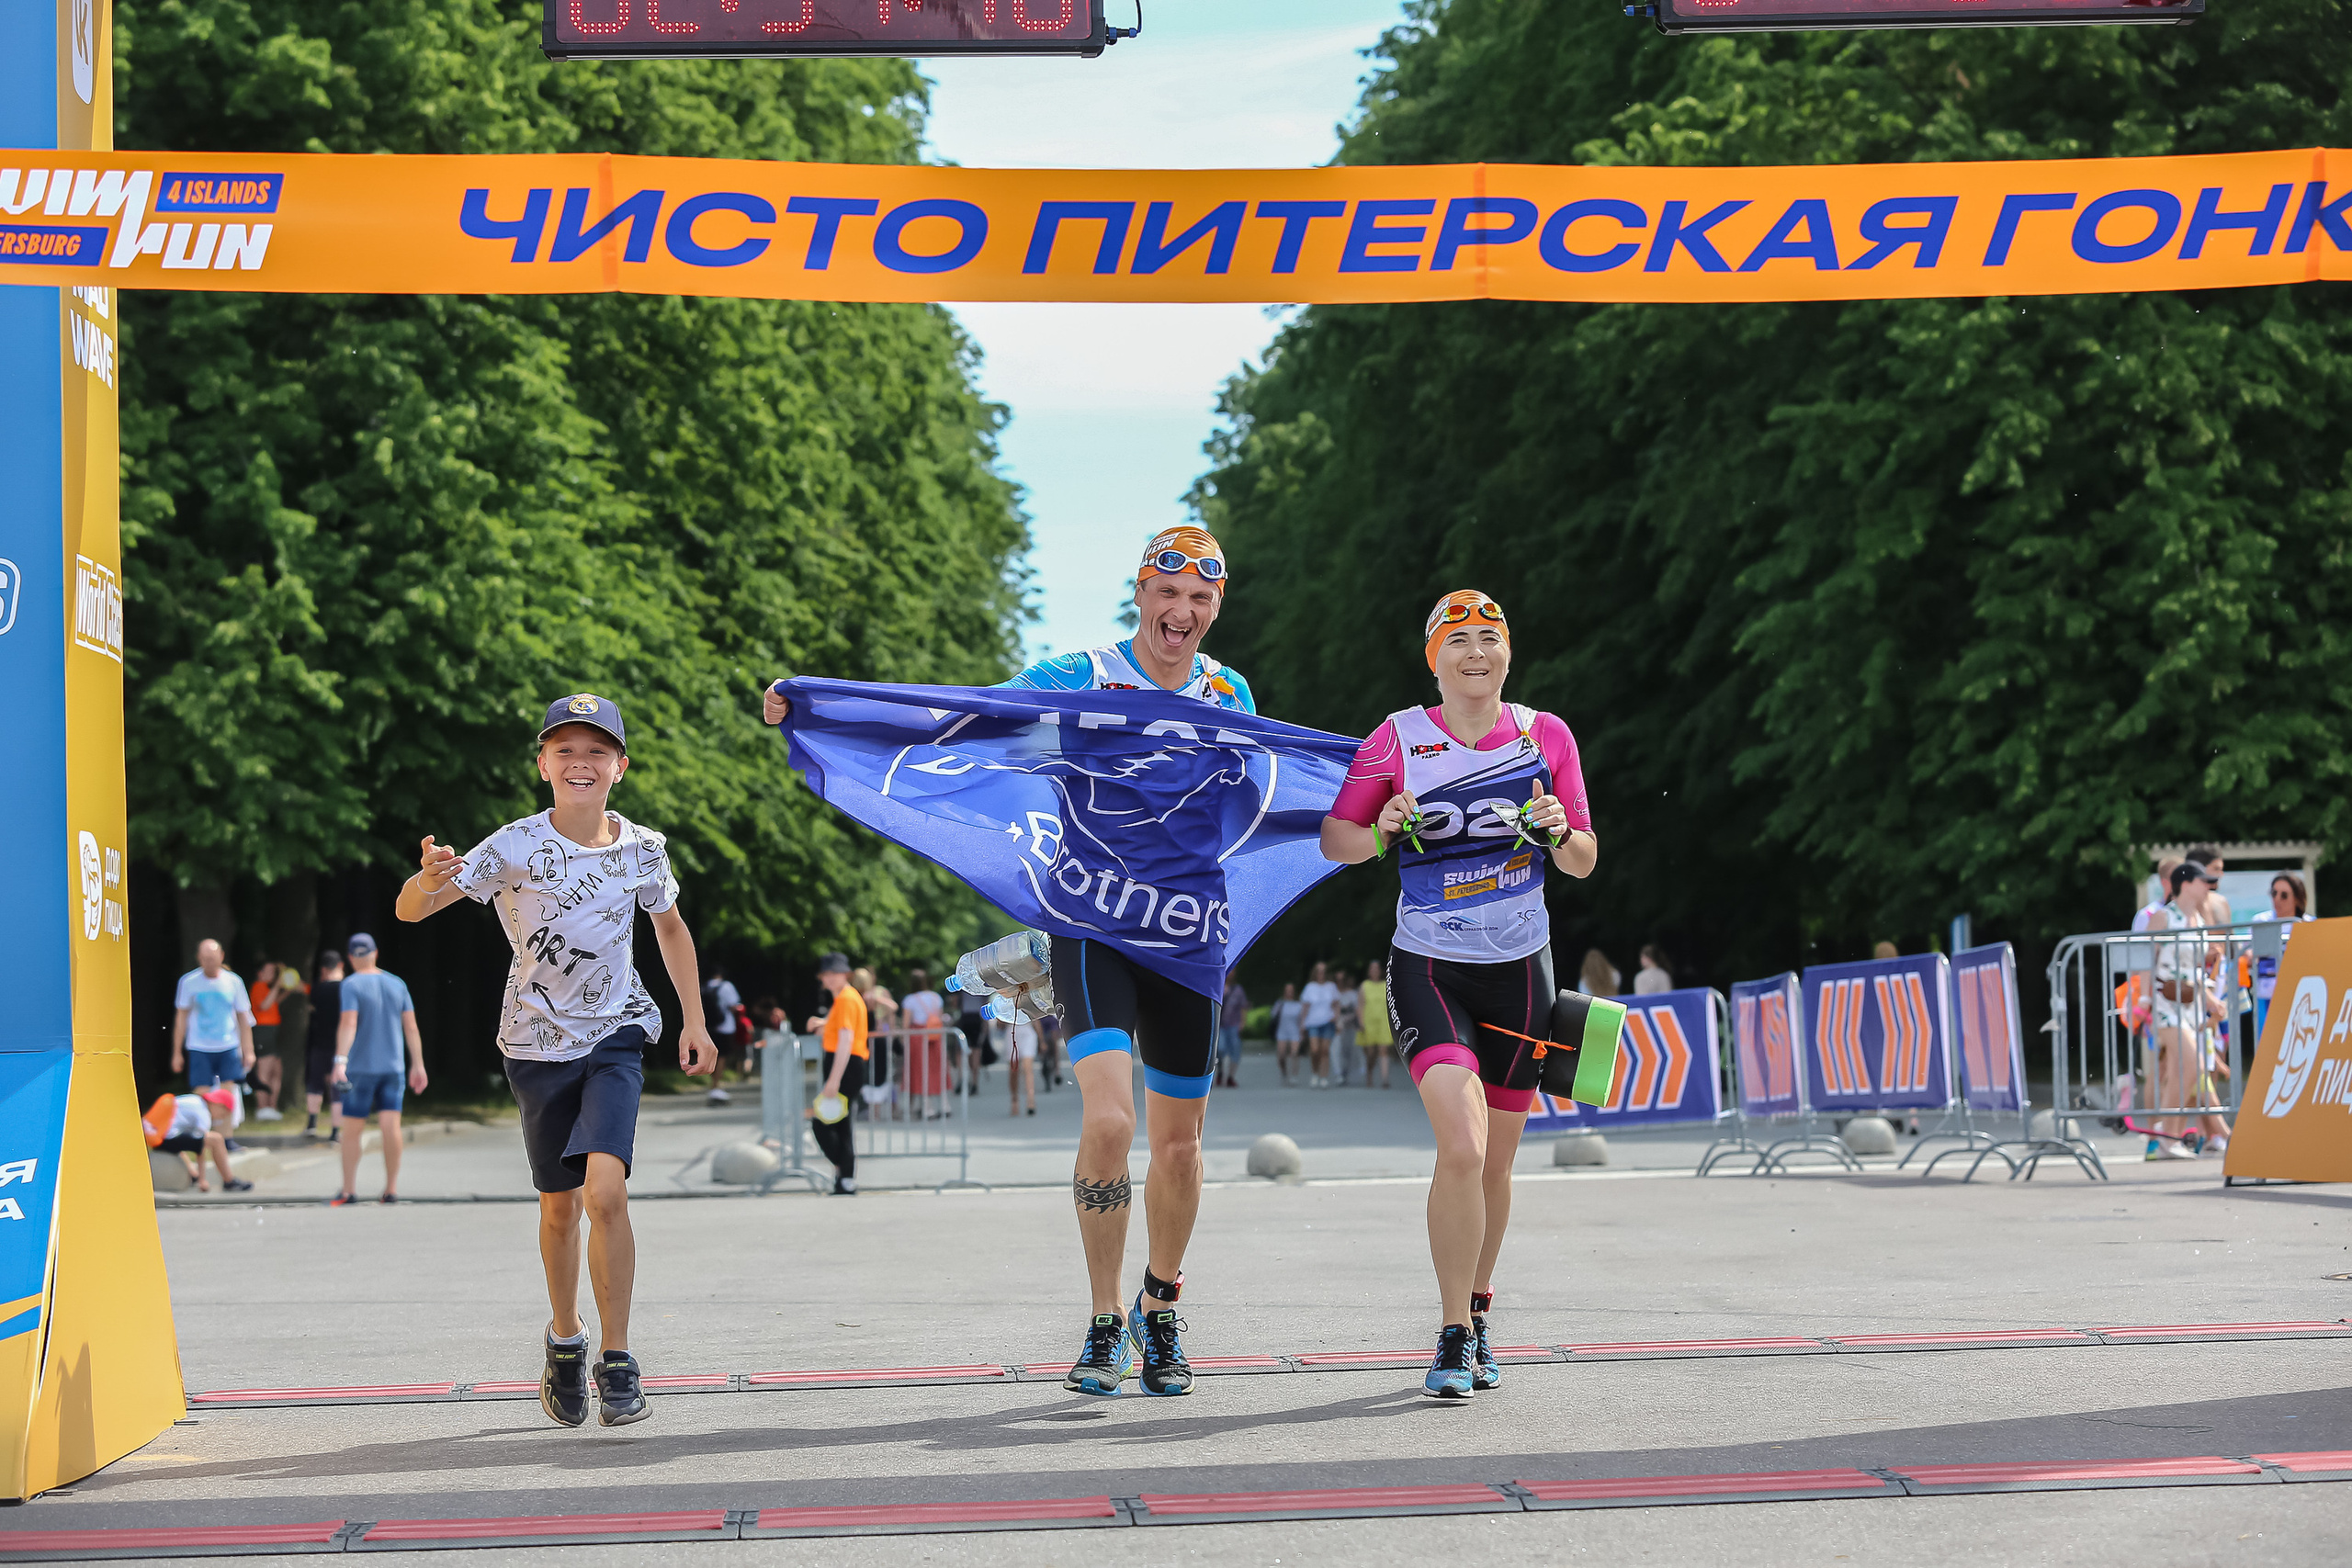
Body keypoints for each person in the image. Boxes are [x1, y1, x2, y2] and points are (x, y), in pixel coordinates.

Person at [765, 524, 1256, 1400]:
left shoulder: (1231, 691)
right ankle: (1107, 1319)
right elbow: (963, 714)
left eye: (1200, 599)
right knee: (1110, 1122)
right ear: (1139, 593)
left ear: (1216, 607)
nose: (1181, 612)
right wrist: (826, 709)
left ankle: (1162, 1304)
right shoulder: (1080, 675)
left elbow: (1265, 798)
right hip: (1090, 923)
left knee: (1179, 1149)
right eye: (1167, 593)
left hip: (1185, 933)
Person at [400, 692, 718, 1429]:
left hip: (617, 1031)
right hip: (535, 1042)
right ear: (543, 763)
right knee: (559, 1204)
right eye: (566, 750)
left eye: (597, 751)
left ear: (620, 767)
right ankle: (565, 1339)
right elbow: (412, 911)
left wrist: (693, 1019)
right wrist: (428, 876)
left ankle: (616, 1357)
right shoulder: (512, 845)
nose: (582, 762)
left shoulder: (643, 847)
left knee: (606, 1191)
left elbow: (670, 928)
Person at [1320, 588, 1596, 1400]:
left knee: (1498, 1165)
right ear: (1433, 658)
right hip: (1429, 964)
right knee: (1464, 1148)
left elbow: (1582, 858)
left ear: (1508, 653)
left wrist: (1556, 831)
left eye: (1491, 639)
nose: (1476, 653)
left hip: (1522, 969)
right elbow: (1338, 840)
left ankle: (1479, 1307)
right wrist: (1383, 827)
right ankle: (1450, 1332)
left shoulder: (1547, 735)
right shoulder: (1396, 737)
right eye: (1459, 641)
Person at [328, 934, 427, 1206]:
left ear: (350, 958)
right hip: (393, 1067)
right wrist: (417, 1064)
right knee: (390, 1126)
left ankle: (349, 1189)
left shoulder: (351, 984)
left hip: (360, 1068)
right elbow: (411, 1027)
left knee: (352, 1129)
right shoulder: (397, 984)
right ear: (376, 953)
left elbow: (349, 1023)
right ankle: (391, 1189)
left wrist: (340, 1060)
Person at [2147, 861, 2225, 1159]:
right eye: (2203, 880)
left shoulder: (2198, 920)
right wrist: (2142, 1003)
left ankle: (2168, 1139)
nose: (2208, 886)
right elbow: (2145, 962)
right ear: (2186, 883)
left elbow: (2194, 972)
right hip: (2165, 1004)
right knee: (2189, 1066)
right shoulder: (2163, 917)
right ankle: (2167, 1139)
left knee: (2186, 1072)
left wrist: (2209, 998)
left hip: (2192, 1006)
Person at [807, 953, 869, 1194]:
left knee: (823, 1123)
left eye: (835, 974)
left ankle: (844, 1170)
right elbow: (842, 1030)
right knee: (841, 1124)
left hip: (845, 1064)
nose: (830, 978)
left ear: (845, 974)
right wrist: (823, 1024)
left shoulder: (845, 999)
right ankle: (844, 1178)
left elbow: (846, 1039)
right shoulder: (847, 998)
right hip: (848, 1063)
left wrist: (833, 1080)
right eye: (827, 974)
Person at [172, 939, 254, 1094]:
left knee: (227, 1096)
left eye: (213, 958)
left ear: (221, 956)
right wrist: (177, 1052)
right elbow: (181, 1018)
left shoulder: (234, 981)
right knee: (201, 1093)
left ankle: (227, 1120)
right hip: (199, 1046)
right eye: (206, 959)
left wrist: (248, 1050)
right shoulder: (188, 982)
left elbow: (244, 1018)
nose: (210, 963)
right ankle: (204, 1119)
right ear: (199, 958)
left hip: (228, 1045)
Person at [145, 1086, 251, 1193]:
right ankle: (229, 1181)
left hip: (155, 1135)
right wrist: (202, 1180)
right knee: (216, 1139)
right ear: (218, 1104)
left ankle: (193, 1175)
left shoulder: (194, 1101)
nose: (221, 1118)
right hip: (163, 1138)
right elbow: (200, 1147)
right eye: (223, 1114)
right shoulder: (203, 1113)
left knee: (192, 1138)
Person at [301, 950, 345, 1141]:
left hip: (319, 1044)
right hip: (341, 1045)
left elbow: (313, 1009)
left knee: (315, 1085)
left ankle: (312, 1123)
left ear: (323, 970)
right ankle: (335, 1132)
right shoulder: (346, 988)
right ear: (341, 966)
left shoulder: (318, 989)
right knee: (337, 1088)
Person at [903, 968, 949, 1119]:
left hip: (918, 1037)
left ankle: (927, 1106)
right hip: (935, 1036)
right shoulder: (936, 997)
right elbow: (939, 1018)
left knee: (921, 1070)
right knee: (938, 1069)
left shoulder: (910, 1000)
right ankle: (944, 1104)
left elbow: (906, 1023)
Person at [247, 962, 290, 1120]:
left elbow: (273, 1002)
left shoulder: (267, 988)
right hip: (263, 1031)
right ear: (260, 973)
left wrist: (287, 991)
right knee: (264, 1071)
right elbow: (265, 1005)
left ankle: (272, 1107)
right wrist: (279, 985)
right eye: (270, 971)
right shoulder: (258, 985)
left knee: (276, 1071)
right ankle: (262, 1108)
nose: (274, 975)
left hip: (272, 1031)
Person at [702, 966, 743, 1106]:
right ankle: (716, 1086)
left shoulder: (705, 987)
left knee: (709, 1055)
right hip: (725, 1026)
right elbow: (734, 1006)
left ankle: (712, 1085)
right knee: (722, 1057)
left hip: (708, 1027)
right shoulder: (726, 986)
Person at [1300, 962, 1339, 1088]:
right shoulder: (1310, 987)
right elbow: (1305, 1007)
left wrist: (1336, 1017)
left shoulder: (1331, 986)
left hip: (1327, 1021)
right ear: (1315, 973)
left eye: (1323, 971)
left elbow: (1336, 1003)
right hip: (1313, 1022)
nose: (1321, 974)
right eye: (1319, 971)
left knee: (1325, 1050)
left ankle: (1324, 1077)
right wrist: (1302, 1024)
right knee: (1315, 1050)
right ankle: (1315, 1072)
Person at [1357, 960, 1394, 1089]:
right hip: (1369, 1021)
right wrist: (1361, 1022)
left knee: (1383, 1050)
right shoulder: (1365, 986)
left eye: (1377, 968)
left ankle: (1385, 1079)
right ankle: (1369, 1073)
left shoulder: (1386, 985)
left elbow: (1391, 1005)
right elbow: (1360, 1005)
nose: (1375, 971)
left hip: (1383, 1021)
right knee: (1371, 1052)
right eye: (1372, 969)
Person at [2132, 856, 2184, 931]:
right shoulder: (2147, 914)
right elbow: (2140, 943)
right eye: (2178, 879)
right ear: (2164, 882)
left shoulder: (2191, 913)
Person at [1332, 969, 1363, 1087]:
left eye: (1342, 980)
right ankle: (1338, 1073)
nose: (1340, 982)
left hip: (1349, 1026)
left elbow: (1356, 1010)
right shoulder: (1332, 993)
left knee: (1348, 1051)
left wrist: (1346, 1020)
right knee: (1336, 1049)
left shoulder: (1352, 994)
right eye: (1338, 980)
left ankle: (1345, 1072)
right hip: (1336, 1027)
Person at [1217, 974, 1248, 1089]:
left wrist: (1242, 1022)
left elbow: (1243, 1006)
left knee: (1235, 1050)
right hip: (1220, 1025)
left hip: (1233, 1025)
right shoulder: (1218, 986)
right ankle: (1220, 1070)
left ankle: (1230, 1077)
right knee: (1220, 1049)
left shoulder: (1238, 990)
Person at [1272, 983, 1305, 1086]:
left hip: (1295, 1031)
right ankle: (1284, 1072)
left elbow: (1302, 1019)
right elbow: (1273, 1016)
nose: (1289, 992)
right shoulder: (1280, 1004)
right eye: (1287, 990)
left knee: (1294, 1053)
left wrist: (1302, 1032)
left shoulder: (1298, 1005)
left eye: (1291, 990)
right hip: (1282, 1032)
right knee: (1281, 1056)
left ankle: (1294, 1075)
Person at [1009, 1012, 1039, 1116]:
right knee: (1014, 1070)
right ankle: (1014, 1100)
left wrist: (1041, 1039)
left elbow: (1036, 1017)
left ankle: (1030, 1101)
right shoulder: (1004, 996)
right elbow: (999, 1024)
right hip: (1012, 1030)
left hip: (1027, 1031)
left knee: (1028, 1068)